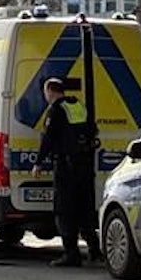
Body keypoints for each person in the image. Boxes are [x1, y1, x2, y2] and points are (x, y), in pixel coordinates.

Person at [31, 77, 102, 267]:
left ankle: (71, 254)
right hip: (85, 167)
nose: (46, 97)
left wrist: (38, 163)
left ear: (50, 91)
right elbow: (93, 131)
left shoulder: (55, 110)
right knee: (85, 209)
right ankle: (95, 250)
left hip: (66, 168)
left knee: (64, 211)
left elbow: (48, 138)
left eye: (46, 93)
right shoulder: (78, 106)